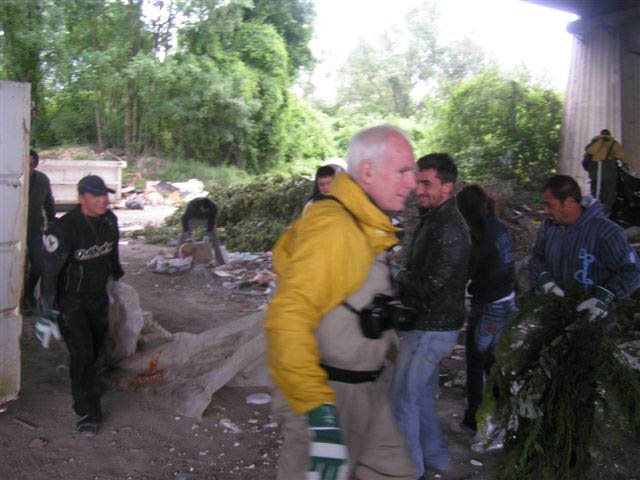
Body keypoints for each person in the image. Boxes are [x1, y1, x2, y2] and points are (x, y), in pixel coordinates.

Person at [265, 124, 418, 480]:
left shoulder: (366, 225)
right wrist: (319, 413)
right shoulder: (336, 228)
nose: (412, 182)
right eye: (402, 171)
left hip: (369, 390)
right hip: (330, 395)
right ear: (367, 171)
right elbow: (286, 319)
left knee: (395, 471)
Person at [391, 153, 471, 477]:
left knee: (400, 401)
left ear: (447, 187)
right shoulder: (434, 218)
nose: (418, 189)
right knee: (420, 397)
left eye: (426, 183)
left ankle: (411, 472)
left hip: (431, 328)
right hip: (427, 323)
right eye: (417, 181)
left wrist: (394, 272)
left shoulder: (449, 229)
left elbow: (430, 286)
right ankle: (435, 456)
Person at [39, 175, 124, 436]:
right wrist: (47, 311)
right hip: (70, 302)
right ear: (81, 198)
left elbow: (112, 255)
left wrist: (117, 282)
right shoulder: (63, 229)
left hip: (97, 298)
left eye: (105, 195)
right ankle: (87, 410)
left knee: (97, 348)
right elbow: (50, 272)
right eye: (96, 195)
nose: (103, 200)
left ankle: (88, 382)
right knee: (83, 352)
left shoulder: (110, 221)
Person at [529, 175, 640, 320]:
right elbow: (536, 258)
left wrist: (604, 297)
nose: (545, 211)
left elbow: (632, 271)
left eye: (550, 205)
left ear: (569, 202)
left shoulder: (607, 232)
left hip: (593, 322)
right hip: (554, 315)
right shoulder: (549, 227)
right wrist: (544, 280)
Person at [456, 184, 517, 433]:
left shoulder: (482, 238)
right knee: (491, 359)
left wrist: (466, 290)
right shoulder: (498, 226)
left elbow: (471, 274)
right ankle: (506, 406)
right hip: (506, 301)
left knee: (475, 362)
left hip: (490, 307)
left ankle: (475, 419)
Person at [22, 149, 56, 315]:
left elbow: (49, 203)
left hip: (34, 229)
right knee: (19, 266)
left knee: (38, 264)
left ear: (34, 166)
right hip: (12, 232)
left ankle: (28, 292)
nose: (26, 168)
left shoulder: (42, 180)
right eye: (23, 164)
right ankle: (21, 301)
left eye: (30, 165)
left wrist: (52, 223)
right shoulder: (10, 181)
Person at [582, 129, 630, 216]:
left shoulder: (595, 141)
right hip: (608, 169)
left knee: (596, 191)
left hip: (595, 170)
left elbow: (589, 151)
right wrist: (626, 163)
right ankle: (606, 212)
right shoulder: (612, 143)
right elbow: (622, 155)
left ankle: (594, 210)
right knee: (609, 192)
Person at [176, 197, 225, 265]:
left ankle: (221, 261)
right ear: (200, 206)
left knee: (215, 238)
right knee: (183, 238)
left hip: (207, 220)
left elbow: (212, 221)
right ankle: (176, 258)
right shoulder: (192, 205)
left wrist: (207, 235)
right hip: (193, 219)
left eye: (206, 209)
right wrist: (188, 234)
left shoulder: (214, 208)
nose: (204, 211)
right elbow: (184, 219)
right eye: (203, 209)